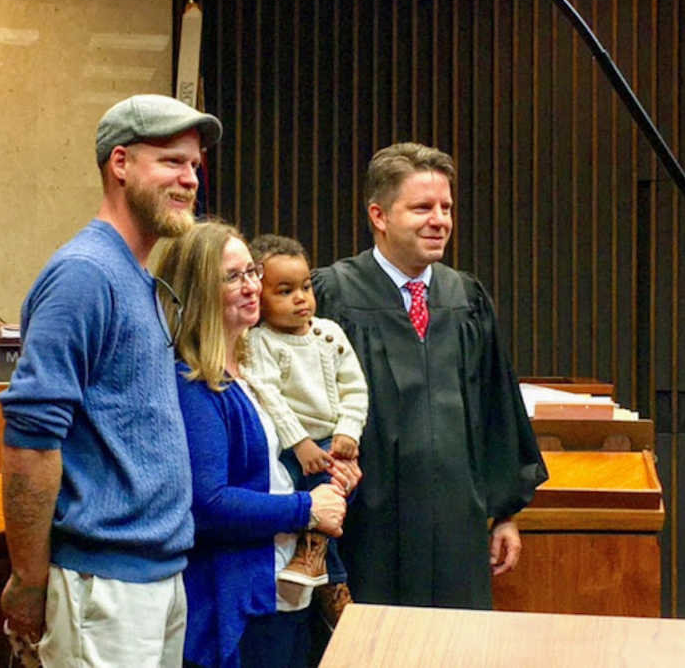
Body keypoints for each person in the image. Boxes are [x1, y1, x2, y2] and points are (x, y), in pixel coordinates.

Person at [0, 94, 222, 667]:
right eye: (171, 161)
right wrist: (28, 576)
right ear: (120, 163)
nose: (190, 178)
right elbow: (30, 439)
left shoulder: (137, 275)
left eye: (194, 165)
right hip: (105, 587)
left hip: (159, 577)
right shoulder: (85, 274)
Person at [312, 142, 549, 610]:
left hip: (457, 530)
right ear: (379, 216)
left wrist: (505, 513)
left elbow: (498, 410)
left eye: (446, 207)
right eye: (422, 208)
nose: (439, 219)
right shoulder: (331, 294)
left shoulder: (466, 298)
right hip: (367, 527)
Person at [156, 221, 360, 668]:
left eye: (252, 272)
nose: (251, 286)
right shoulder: (195, 383)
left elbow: (277, 467)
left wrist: (334, 470)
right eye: (233, 277)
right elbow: (208, 505)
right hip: (237, 598)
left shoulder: (248, 372)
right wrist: (306, 509)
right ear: (198, 290)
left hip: (281, 592)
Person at [244, 234, 368, 628]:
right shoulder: (261, 341)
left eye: (305, 287)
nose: (301, 298)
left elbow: (355, 386)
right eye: (285, 291)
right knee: (306, 493)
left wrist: (350, 430)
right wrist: (300, 443)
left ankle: (313, 557)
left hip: (332, 442)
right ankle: (333, 582)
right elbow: (269, 396)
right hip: (292, 446)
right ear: (259, 297)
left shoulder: (329, 333)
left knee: (336, 487)